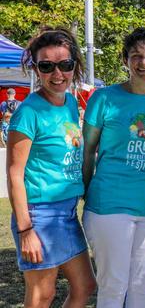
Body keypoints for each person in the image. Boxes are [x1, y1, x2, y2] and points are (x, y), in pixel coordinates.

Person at [7, 28, 96, 307]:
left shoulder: (70, 102)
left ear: (74, 65)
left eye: (65, 65)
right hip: (39, 215)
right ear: (35, 68)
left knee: (85, 286)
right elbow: (14, 173)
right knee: (41, 295)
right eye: (47, 66)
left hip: (67, 212)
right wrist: (25, 230)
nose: (57, 74)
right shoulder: (28, 112)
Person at [82, 28, 145, 307]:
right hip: (110, 205)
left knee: (143, 285)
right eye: (136, 56)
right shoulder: (104, 98)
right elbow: (88, 150)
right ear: (125, 60)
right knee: (113, 285)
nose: (144, 62)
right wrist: (85, 192)